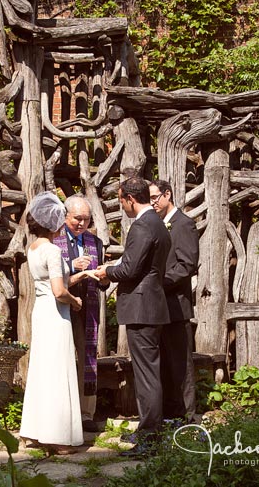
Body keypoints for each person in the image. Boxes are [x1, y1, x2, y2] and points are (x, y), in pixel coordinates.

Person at [95, 177, 171, 456]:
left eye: (121, 200)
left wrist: (107, 271)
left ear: (129, 198)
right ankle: (147, 428)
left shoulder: (142, 226)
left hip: (143, 307)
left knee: (147, 375)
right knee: (149, 372)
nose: (121, 205)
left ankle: (150, 438)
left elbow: (129, 270)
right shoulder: (159, 225)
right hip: (152, 305)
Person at [19, 191, 93, 455]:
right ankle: (59, 439)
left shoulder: (33, 248)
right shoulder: (51, 249)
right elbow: (59, 291)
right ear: (55, 223)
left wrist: (81, 273)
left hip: (41, 311)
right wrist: (75, 302)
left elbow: (52, 282)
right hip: (56, 313)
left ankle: (32, 433)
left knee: (42, 370)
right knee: (59, 372)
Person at [53, 195, 105, 432]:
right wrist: (74, 266)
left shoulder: (95, 242)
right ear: (65, 216)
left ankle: (86, 413)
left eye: (87, 219)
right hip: (62, 307)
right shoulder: (54, 240)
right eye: (77, 219)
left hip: (88, 308)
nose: (82, 224)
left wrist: (105, 275)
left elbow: (102, 281)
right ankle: (63, 411)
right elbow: (50, 277)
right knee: (62, 357)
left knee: (88, 358)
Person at [149, 179, 200, 423]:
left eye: (155, 198)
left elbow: (187, 264)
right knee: (164, 363)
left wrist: (159, 282)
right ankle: (169, 414)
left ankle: (187, 416)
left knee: (180, 362)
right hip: (158, 305)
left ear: (167, 194)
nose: (153, 203)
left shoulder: (184, 224)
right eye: (149, 199)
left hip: (176, 304)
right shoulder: (157, 225)